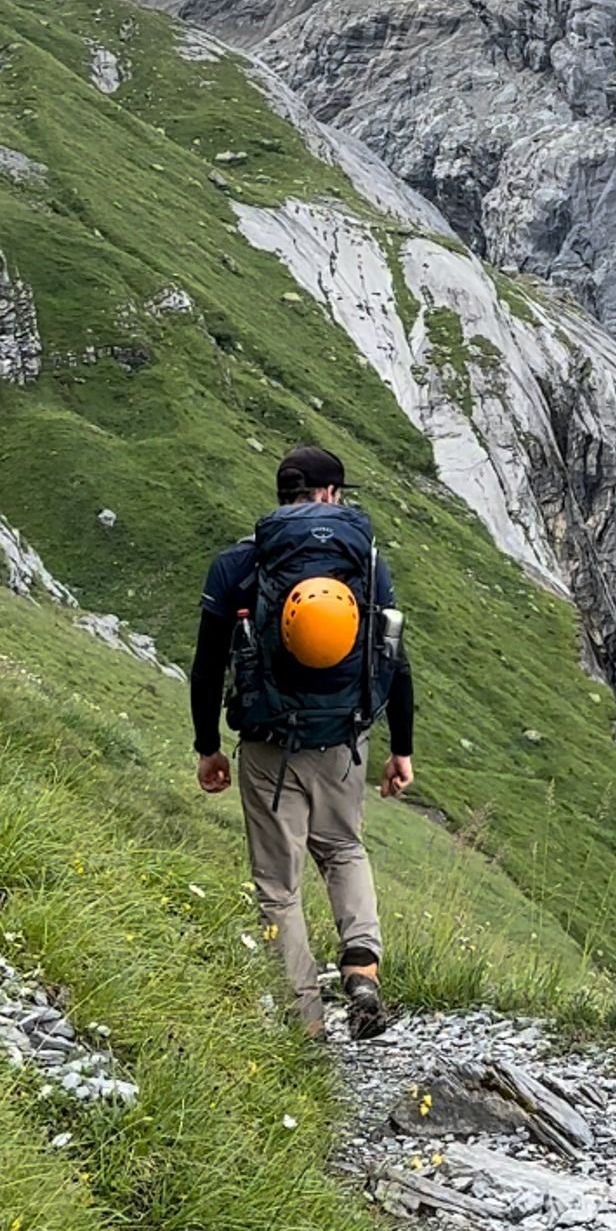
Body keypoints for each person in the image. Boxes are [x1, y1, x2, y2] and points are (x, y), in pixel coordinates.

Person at [191, 443, 415, 1042]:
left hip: (269, 745)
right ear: (330, 495)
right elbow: (395, 658)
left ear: (283, 494)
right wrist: (402, 748)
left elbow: (208, 666)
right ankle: (362, 968)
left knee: (278, 887)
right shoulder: (365, 561)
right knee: (343, 850)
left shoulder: (240, 564)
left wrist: (207, 746)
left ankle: (306, 1023)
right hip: (344, 740)